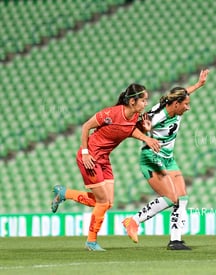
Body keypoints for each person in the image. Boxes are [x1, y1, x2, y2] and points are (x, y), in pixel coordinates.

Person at [50, 83, 160, 251]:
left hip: (104, 159)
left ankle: (64, 193)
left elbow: (129, 130)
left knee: (107, 202)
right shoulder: (111, 114)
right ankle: (91, 241)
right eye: (143, 100)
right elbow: (86, 126)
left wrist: (146, 135)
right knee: (102, 202)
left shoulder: (135, 117)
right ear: (132, 101)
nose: (146, 103)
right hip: (90, 158)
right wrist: (85, 152)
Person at [122, 69, 209, 250]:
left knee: (182, 197)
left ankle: (175, 240)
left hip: (168, 159)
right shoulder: (157, 116)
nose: (188, 107)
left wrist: (198, 85)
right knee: (171, 198)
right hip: (151, 158)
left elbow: (184, 92)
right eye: (186, 104)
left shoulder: (175, 106)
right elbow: (132, 129)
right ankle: (133, 221)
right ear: (176, 104)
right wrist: (145, 132)